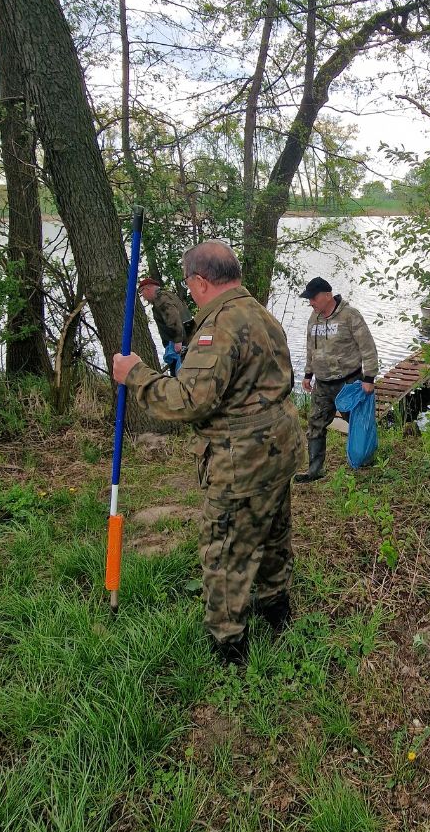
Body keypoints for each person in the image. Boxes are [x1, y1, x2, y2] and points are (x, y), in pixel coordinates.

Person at [114, 242, 303, 664]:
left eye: (189, 284)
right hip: (280, 448)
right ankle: (276, 610)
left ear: (200, 282)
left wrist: (135, 375)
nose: (190, 291)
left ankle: (229, 644)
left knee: (226, 550)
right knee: (273, 532)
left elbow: (190, 400)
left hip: (243, 461)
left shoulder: (217, 327)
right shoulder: (261, 313)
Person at [295, 277, 379, 483]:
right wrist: (308, 374)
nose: (311, 303)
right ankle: (315, 470)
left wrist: (369, 377)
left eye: (313, 298)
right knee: (315, 424)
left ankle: (365, 461)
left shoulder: (350, 315)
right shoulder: (314, 318)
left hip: (349, 383)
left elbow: (368, 347)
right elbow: (310, 347)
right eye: (309, 299)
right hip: (322, 384)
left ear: (327, 295)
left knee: (358, 422)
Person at [138, 276, 189, 377]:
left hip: (179, 344)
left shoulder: (161, 299)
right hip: (186, 338)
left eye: (141, 292)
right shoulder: (169, 295)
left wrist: (178, 340)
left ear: (147, 288)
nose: (143, 297)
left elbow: (173, 317)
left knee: (179, 376)